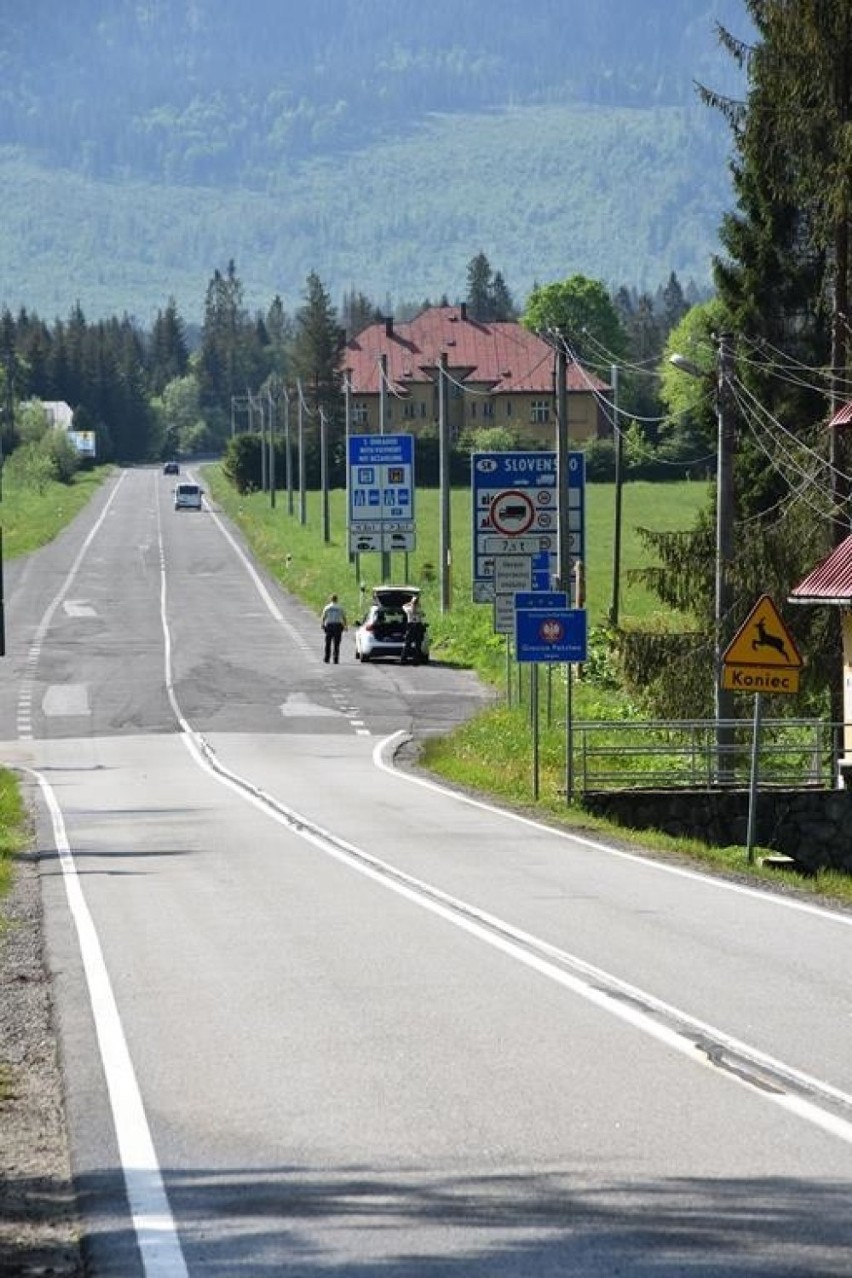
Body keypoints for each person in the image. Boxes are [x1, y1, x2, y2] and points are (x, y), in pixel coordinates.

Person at [320, 593, 347, 663]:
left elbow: (323, 617)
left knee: (328, 643)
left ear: (331, 599)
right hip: (337, 626)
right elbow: (344, 617)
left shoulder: (327, 607)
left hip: (329, 625)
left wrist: (322, 624)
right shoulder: (340, 607)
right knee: (336, 644)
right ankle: (336, 659)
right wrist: (345, 625)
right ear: (336, 599)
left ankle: (326, 658)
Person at [401, 594, 425, 664]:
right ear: (417, 603)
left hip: (411, 626)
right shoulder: (419, 610)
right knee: (418, 644)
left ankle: (403, 659)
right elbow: (423, 614)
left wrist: (410, 603)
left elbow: (403, 606)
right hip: (418, 626)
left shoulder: (408, 609)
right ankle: (416, 660)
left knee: (407, 644)